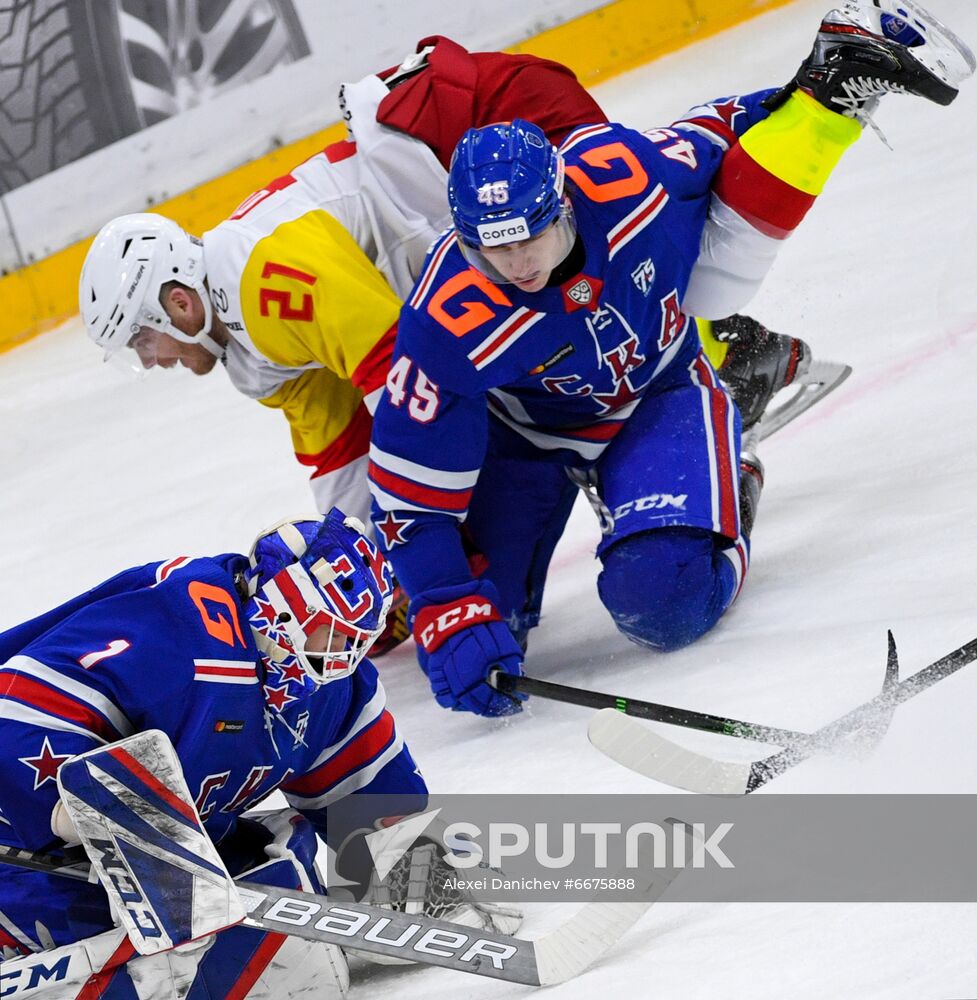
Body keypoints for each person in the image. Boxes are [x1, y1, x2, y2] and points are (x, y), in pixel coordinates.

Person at [366, 2, 973, 716]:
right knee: (493, 632)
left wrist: (813, 94)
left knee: (661, 603)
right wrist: (445, 606)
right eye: (489, 247)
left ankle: (730, 479)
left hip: (657, 398)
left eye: (528, 236)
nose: (515, 263)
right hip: (522, 443)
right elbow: (410, 496)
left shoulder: (625, 176)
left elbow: (721, 127)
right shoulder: (446, 316)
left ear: (561, 203)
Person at [77, 37, 817, 536]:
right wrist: (361, 551)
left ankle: (722, 356)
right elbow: (337, 447)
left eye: (143, 339)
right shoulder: (248, 349)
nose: (150, 360)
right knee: (553, 316)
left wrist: (408, 540)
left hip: (493, 121)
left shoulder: (266, 279)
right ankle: (722, 359)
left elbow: (405, 375)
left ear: (177, 301)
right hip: (459, 160)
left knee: (603, 277)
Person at [0, 510, 427, 995]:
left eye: (358, 637)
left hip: (168, 853)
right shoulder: (177, 631)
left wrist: (411, 866)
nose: (347, 653)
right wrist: (72, 808)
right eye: (336, 632)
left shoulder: (325, 683)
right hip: (20, 840)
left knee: (281, 867)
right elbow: (20, 710)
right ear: (287, 607)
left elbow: (362, 777)